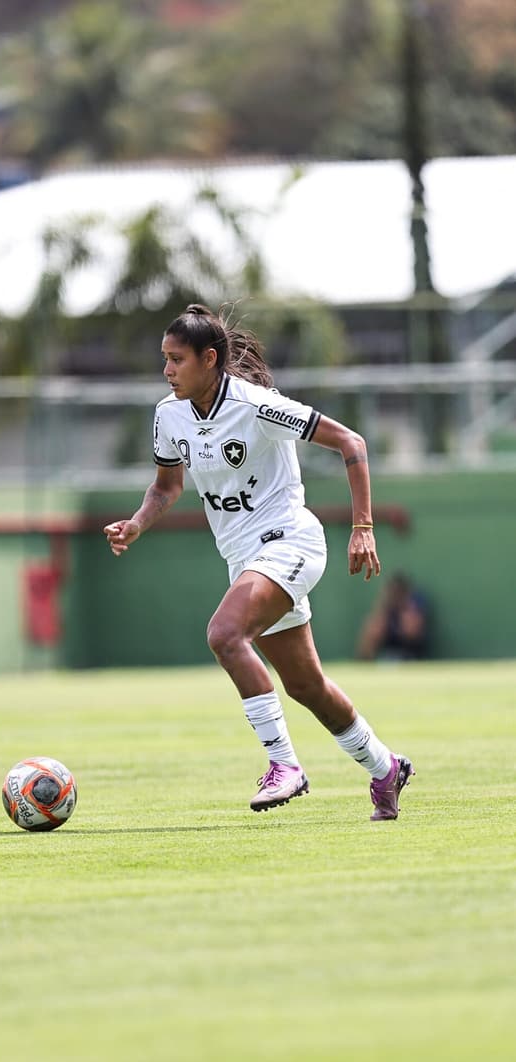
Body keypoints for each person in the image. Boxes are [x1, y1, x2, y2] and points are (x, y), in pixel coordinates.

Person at [104, 304, 414, 821]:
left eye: (176, 359)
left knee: (224, 634)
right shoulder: (169, 415)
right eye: (164, 359)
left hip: (291, 542)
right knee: (307, 686)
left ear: (210, 359)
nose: (167, 370)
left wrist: (363, 528)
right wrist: (138, 522)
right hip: (244, 558)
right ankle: (385, 768)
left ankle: (284, 765)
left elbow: (351, 443)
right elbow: (167, 486)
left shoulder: (259, 406)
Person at [356, 572, 430, 662]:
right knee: (373, 627)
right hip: (389, 656)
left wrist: (404, 610)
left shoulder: (413, 604)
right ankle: (364, 664)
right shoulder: (387, 608)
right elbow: (373, 631)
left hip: (410, 656)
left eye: (397, 591)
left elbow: (411, 632)